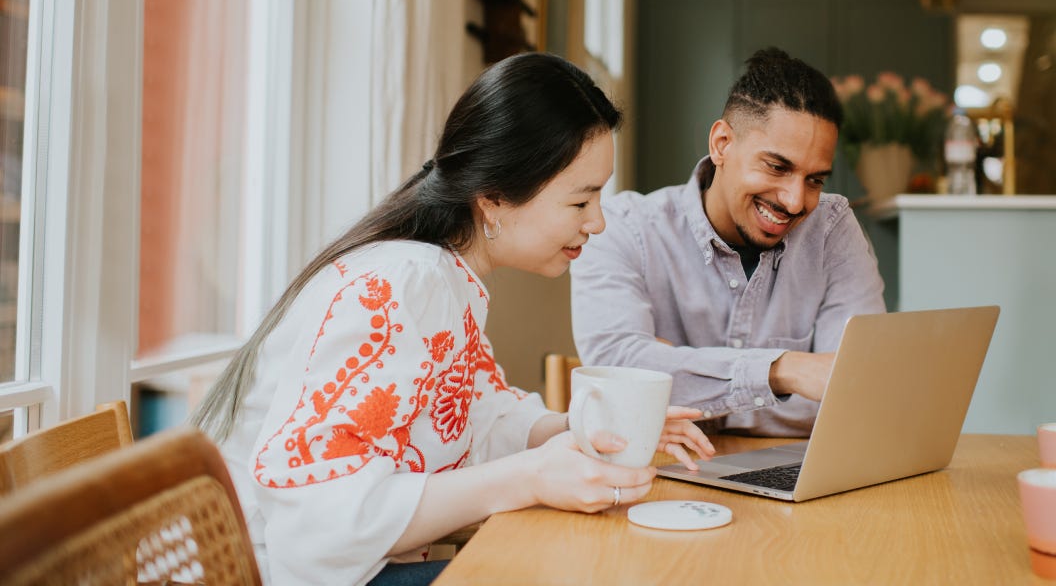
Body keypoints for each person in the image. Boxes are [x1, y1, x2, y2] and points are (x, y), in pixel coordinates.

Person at [191, 53, 714, 586]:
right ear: (494, 200)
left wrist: (592, 428)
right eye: (581, 201)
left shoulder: (440, 279)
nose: (597, 222)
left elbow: (477, 416)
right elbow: (320, 519)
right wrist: (531, 477)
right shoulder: (400, 285)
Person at [570, 47, 886, 438]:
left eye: (815, 180)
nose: (794, 200)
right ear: (721, 143)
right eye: (777, 167)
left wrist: (676, 370)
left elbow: (857, 391)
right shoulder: (623, 229)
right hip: (663, 475)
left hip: (797, 481)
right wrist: (785, 371)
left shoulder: (832, 229)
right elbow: (619, 374)